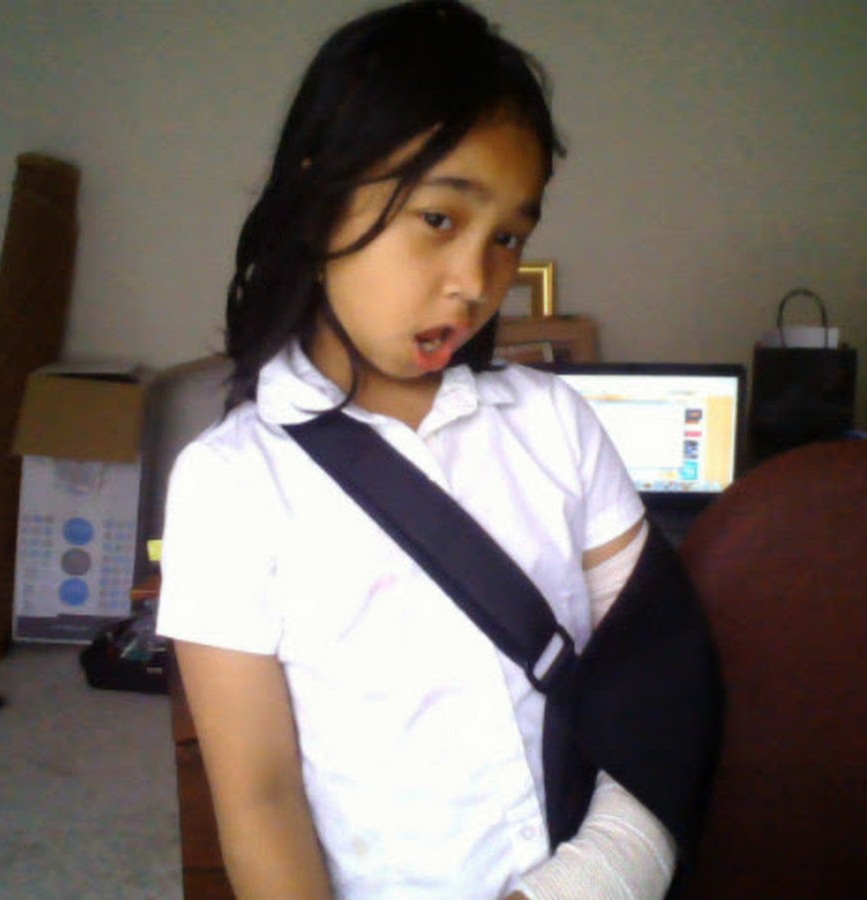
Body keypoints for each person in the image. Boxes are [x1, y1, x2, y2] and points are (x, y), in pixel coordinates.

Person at [157, 2, 706, 897]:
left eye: (508, 238)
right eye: (441, 219)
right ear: (319, 201)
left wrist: (593, 877)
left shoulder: (555, 423)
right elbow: (260, 800)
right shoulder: (228, 485)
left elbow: (661, 685)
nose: (476, 283)